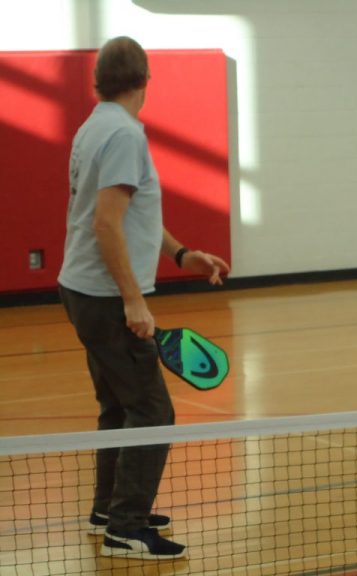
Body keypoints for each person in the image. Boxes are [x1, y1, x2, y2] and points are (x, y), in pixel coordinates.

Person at [58, 36, 230, 560]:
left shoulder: (94, 126)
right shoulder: (124, 134)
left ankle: (109, 510)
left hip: (82, 288)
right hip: (107, 296)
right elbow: (106, 224)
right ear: (144, 80)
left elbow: (132, 216)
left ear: (99, 82)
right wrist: (133, 300)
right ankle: (126, 529)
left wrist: (181, 254)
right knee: (152, 411)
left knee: (118, 406)